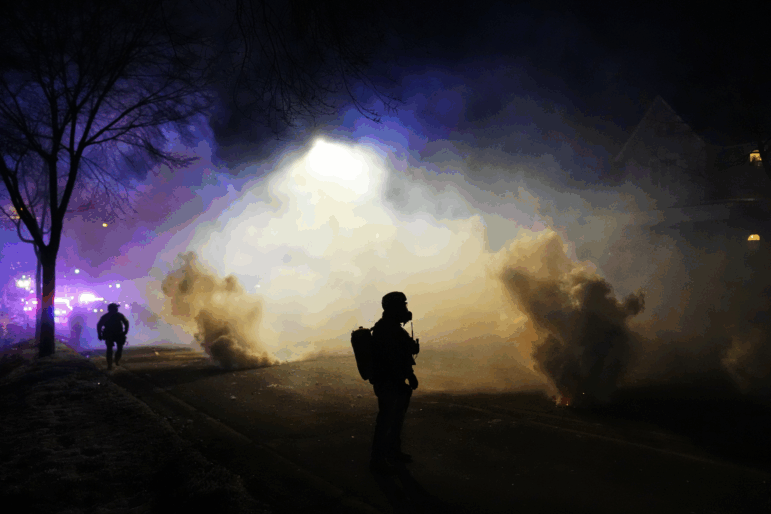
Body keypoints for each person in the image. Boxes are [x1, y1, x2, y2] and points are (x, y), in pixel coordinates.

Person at [369, 291, 420, 474]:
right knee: (387, 420)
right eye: (403, 305)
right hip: (389, 381)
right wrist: (410, 374)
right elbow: (396, 357)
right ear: (394, 308)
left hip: (392, 380)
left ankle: (390, 453)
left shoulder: (388, 327)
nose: (406, 309)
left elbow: (402, 354)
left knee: (394, 419)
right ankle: (378, 458)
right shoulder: (388, 330)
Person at [97, 303, 129, 370]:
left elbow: (99, 325)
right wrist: (125, 331)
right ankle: (114, 362)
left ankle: (110, 364)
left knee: (110, 350)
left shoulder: (106, 316)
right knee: (117, 349)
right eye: (116, 308)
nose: (117, 309)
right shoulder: (119, 315)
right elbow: (126, 322)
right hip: (116, 334)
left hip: (111, 334)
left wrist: (99, 334)